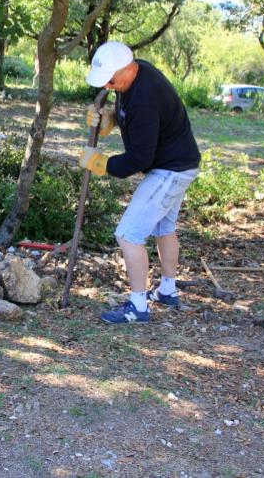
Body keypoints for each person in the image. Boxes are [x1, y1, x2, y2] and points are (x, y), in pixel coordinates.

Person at [79, 41, 200, 324]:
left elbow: (139, 160)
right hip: (181, 163)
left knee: (128, 234)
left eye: (111, 79)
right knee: (164, 227)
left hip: (169, 171)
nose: (108, 85)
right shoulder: (136, 73)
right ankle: (167, 290)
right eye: (105, 81)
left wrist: (101, 163)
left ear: (126, 68)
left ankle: (138, 306)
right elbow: (138, 119)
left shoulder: (145, 95)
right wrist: (111, 118)